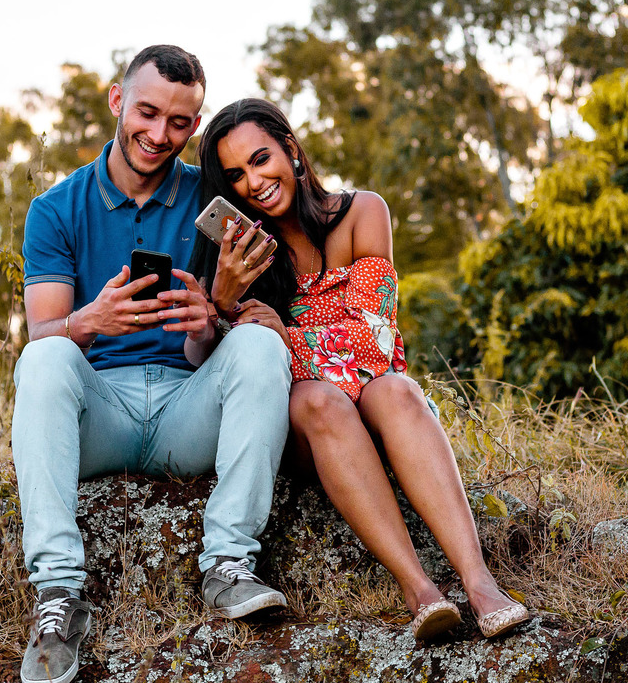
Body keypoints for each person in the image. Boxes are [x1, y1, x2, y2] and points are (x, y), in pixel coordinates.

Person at [193, 98, 531, 641]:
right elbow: (225, 368)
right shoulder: (240, 256)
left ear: (292, 150)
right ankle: (419, 588)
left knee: (394, 388)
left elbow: (374, 339)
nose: (254, 182)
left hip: (376, 405)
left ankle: (480, 582)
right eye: (235, 175)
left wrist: (285, 336)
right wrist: (226, 301)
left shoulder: (362, 213)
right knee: (318, 400)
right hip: (308, 430)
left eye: (261, 159)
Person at [12, 48, 292, 683]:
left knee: (257, 344)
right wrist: (92, 320)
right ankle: (58, 595)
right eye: (147, 112)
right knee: (48, 354)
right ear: (117, 101)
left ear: (195, 126)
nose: (159, 135)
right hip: (98, 414)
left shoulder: (212, 198)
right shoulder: (55, 210)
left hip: (186, 407)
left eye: (179, 122)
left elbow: (226, 335)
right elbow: (45, 335)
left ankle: (227, 566)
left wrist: (212, 317)